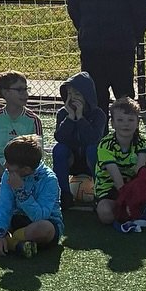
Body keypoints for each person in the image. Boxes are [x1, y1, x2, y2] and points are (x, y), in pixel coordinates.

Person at [0, 137, 62, 257]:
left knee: (45, 228)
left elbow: (40, 216)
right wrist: (0, 234)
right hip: (15, 219)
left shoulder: (49, 179)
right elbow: (4, 206)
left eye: (9, 164)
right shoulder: (8, 174)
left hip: (39, 224)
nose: (5, 165)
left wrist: (20, 191)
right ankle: (15, 245)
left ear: (26, 169)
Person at [93, 96, 146, 229]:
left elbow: (138, 173)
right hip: (111, 189)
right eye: (120, 120)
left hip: (135, 186)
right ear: (112, 123)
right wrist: (127, 200)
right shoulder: (105, 144)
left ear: (137, 122)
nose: (126, 124)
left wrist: (138, 197)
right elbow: (115, 176)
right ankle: (136, 211)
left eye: (130, 120)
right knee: (105, 214)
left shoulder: (142, 143)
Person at [0, 71, 43, 210]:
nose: (25, 93)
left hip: (26, 176)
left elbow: (37, 157)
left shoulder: (33, 120)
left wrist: (19, 176)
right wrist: (6, 176)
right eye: (19, 90)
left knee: (25, 210)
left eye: (26, 89)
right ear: (5, 93)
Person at [52, 72, 106, 208]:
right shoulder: (63, 113)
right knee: (59, 149)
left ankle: (100, 195)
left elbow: (93, 138)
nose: (72, 98)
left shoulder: (98, 114)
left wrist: (81, 118)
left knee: (93, 149)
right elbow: (60, 137)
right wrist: (70, 117)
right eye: (69, 94)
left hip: (91, 162)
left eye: (76, 94)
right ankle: (64, 194)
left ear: (86, 96)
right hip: (72, 161)